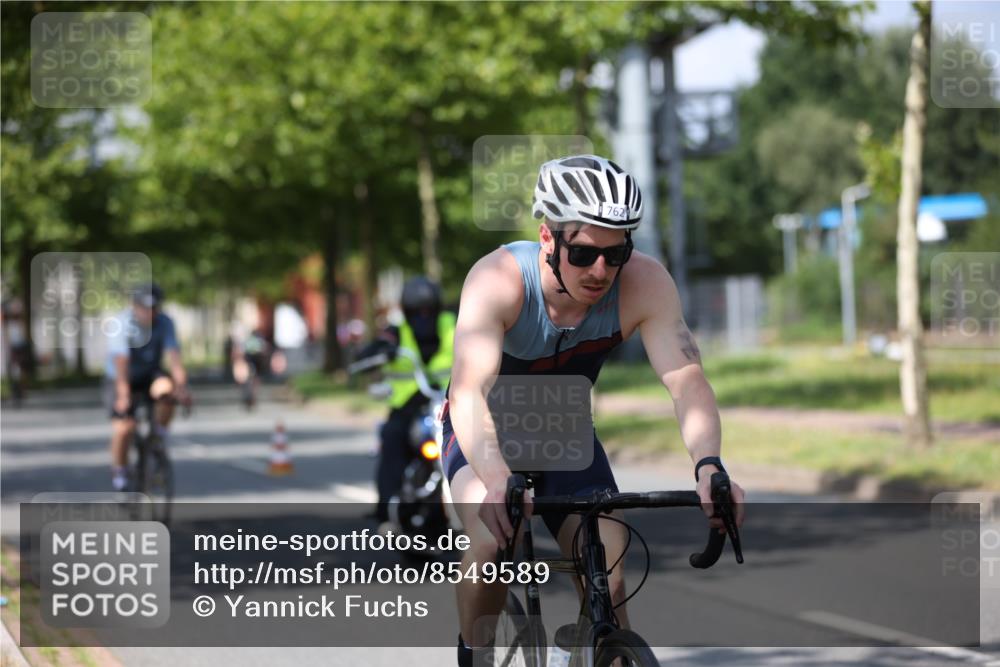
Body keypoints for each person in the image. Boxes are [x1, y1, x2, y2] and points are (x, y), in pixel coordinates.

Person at [441, 154, 746, 665]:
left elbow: (686, 380)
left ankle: (604, 652)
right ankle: (474, 654)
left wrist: (709, 463)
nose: (601, 271)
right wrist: (496, 477)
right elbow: (469, 391)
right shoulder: (498, 279)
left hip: (562, 428)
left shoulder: (644, 283)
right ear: (547, 238)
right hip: (482, 431)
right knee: (492, 546)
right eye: (582, 254)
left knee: (611, 567)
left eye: (616, 252)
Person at [362, 276, 456, 524]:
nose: (423, 316)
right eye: (417, 312)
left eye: (428, 311)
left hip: (451, 404)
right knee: (392, 437)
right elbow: (374, 348)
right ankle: (386, 509)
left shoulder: (454, 324)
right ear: (407, 311)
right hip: (407, 407)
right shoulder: (396, 330)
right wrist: (380, 351)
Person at [104, 283, 191, 491]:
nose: (149, 313)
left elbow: (175, 359)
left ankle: (158, 436)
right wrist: (124, 396)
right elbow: (121, 364)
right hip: (121, 377)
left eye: (154, 308)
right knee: (125, 427)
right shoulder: (122, 323)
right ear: (135, 306)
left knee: (168, 389)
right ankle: (120, 470)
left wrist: (182, 387)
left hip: (150, 374)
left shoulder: (165, 322)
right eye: (144, 307)